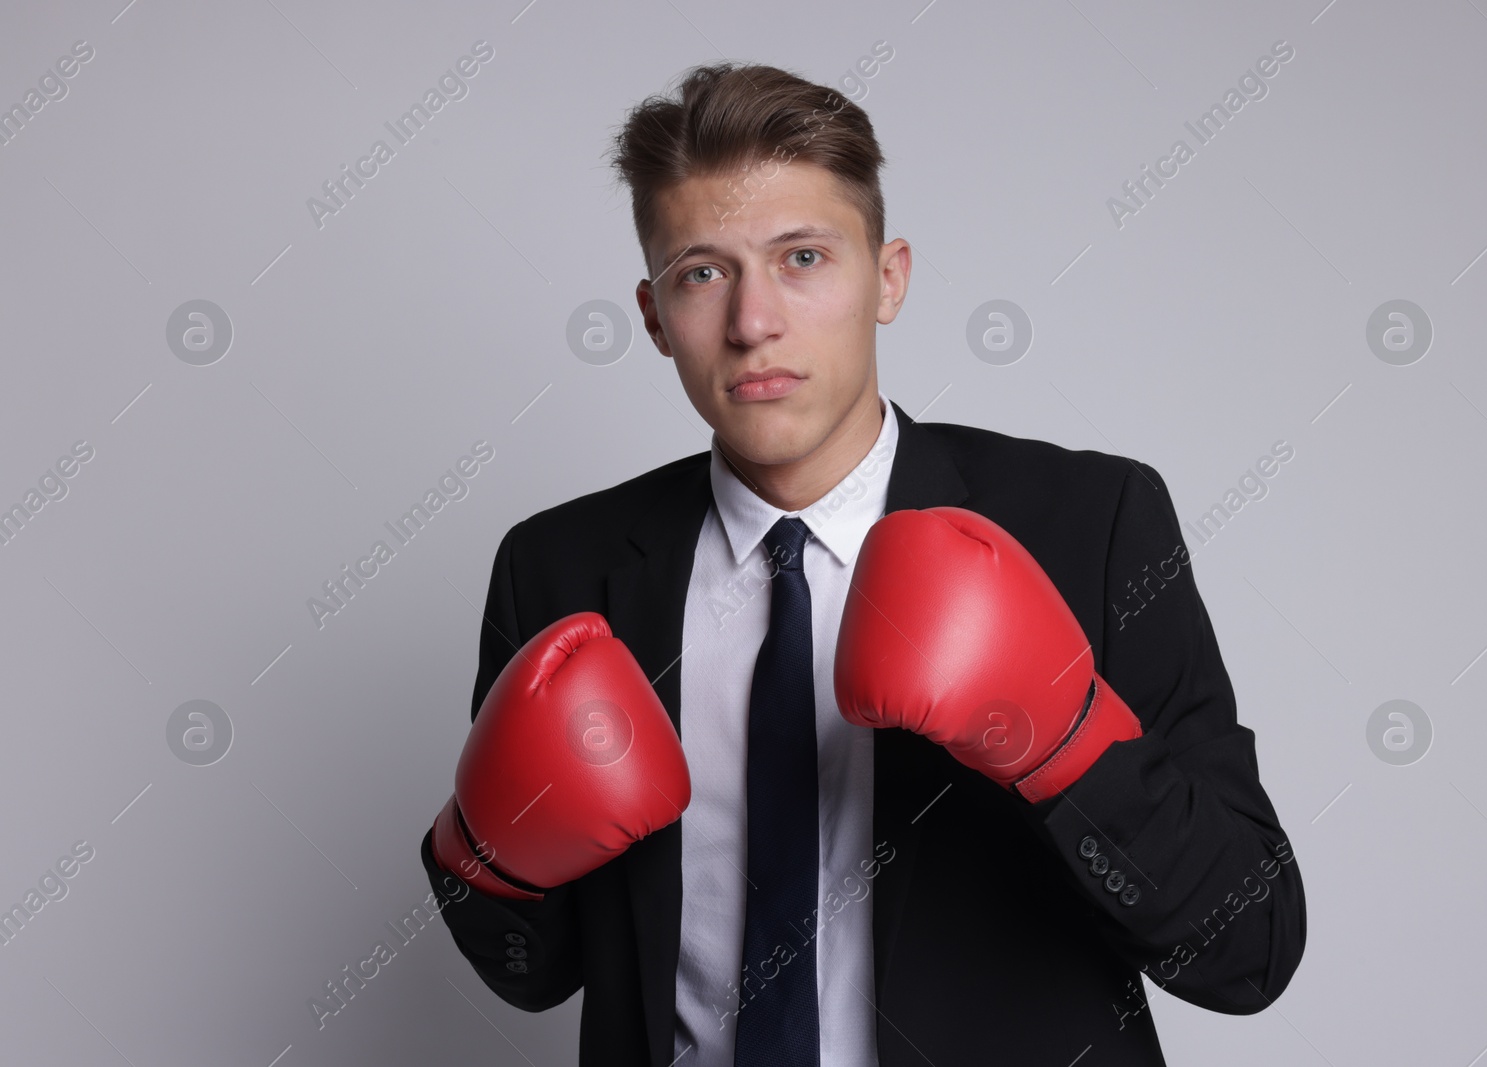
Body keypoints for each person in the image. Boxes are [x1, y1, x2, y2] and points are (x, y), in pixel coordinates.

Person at [419, 61, 1306, 1066]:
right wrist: (481, 859)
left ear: (888, 279)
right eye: (702, 272)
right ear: (656, 315)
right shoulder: (561, 568)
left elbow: (1248, 945)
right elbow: (532, 971)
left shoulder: (1084, 524)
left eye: (802, 257)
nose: (753, 321)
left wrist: (1066, 740)